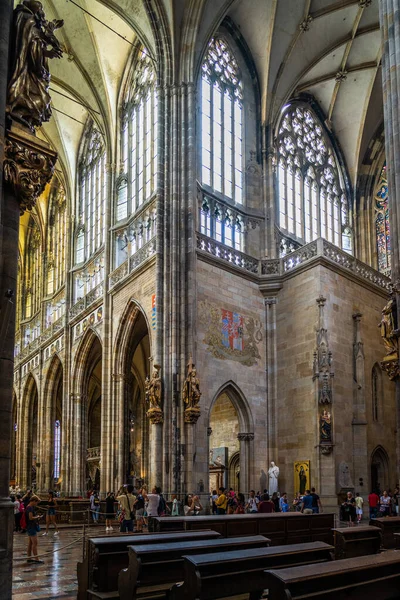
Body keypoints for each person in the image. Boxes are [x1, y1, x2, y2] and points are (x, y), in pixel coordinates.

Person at [26, 495, 44, 564]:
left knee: (30, 543)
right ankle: (37, 559)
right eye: (36, 502)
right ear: (33, 501)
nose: (36, 504)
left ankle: (29, 557)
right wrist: (37, 517)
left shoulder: (28, 506)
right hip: (31, 526)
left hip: (29, 526)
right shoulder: (30, 508)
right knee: (35, 543)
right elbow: (30, 518)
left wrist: (36, 517)